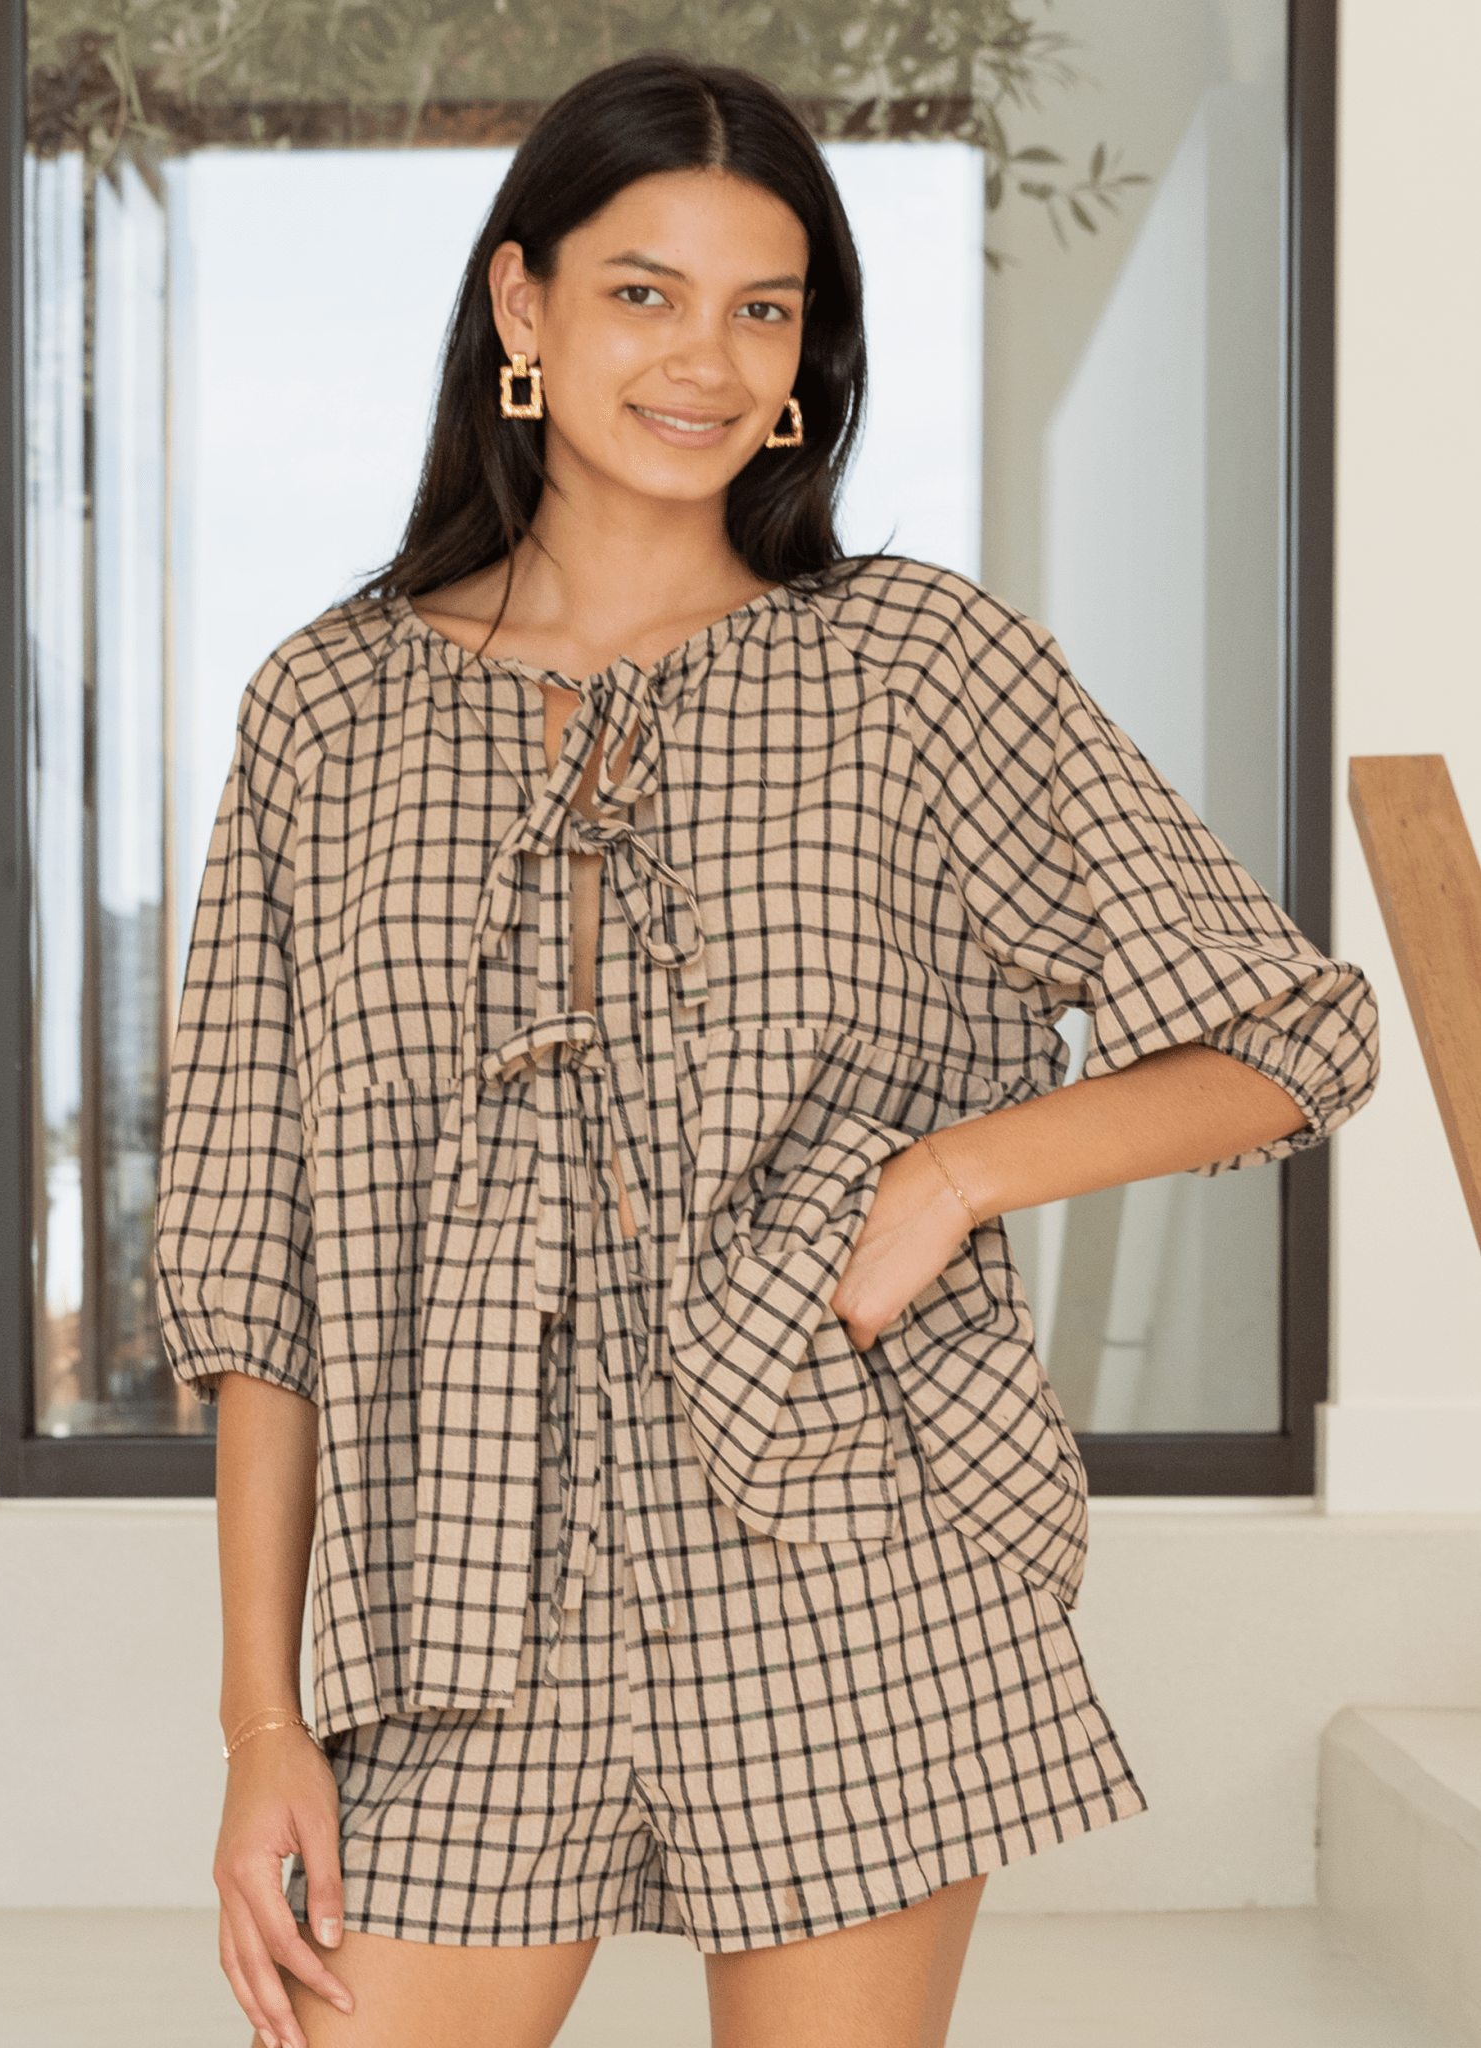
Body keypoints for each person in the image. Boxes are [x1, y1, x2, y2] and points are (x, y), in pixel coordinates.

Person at [152, 50, 1378, 2048]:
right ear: (522, 304)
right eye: (643, 291)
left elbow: (1292, 1031)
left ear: (808, 355)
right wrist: (262, 1725)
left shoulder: (918, 669)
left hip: (847, 1566)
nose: (703, 360)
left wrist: (952, 1173)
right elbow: (251, 1259)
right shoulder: (327, 711)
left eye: (762, 308)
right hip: (456, 1610)